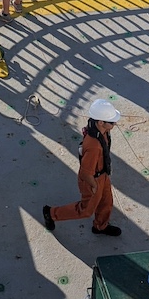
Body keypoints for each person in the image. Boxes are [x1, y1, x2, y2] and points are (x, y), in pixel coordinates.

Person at [41, 98, 123, 237]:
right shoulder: (93, 146)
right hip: (92, 179)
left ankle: (100, 226)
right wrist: (94, 186)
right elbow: (86, 172)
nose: (115, 123)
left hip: (102, 175)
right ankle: (51, 213)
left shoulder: (103, 131)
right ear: (101, 122)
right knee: (85, 210)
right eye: (112, 122)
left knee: (106, 202)